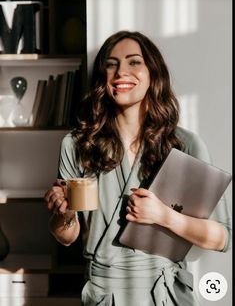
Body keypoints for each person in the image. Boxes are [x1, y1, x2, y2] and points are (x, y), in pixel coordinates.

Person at [44, 30, 232, 306]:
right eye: (111, 64)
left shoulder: (184, 144)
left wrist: (164, 216)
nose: (121, 72)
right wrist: (65, 214)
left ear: (153, 74)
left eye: (134, 62)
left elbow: (221, 238)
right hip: (104, 294)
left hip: (165, 294)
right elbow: (66, 237)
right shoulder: (76, 144)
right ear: (102, 78)